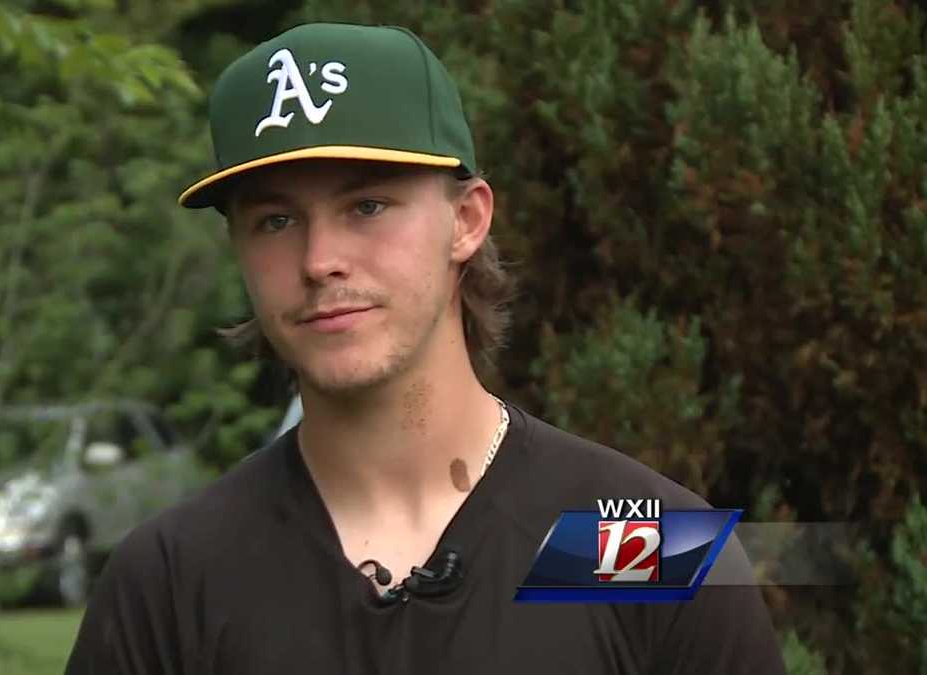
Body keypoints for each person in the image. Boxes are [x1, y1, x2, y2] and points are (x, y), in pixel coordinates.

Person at [64, 22, 785, 674]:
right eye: (276, 220)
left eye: (367, 206)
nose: (320, 259)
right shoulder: (173, 581)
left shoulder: (638, 546)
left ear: (466, 220)